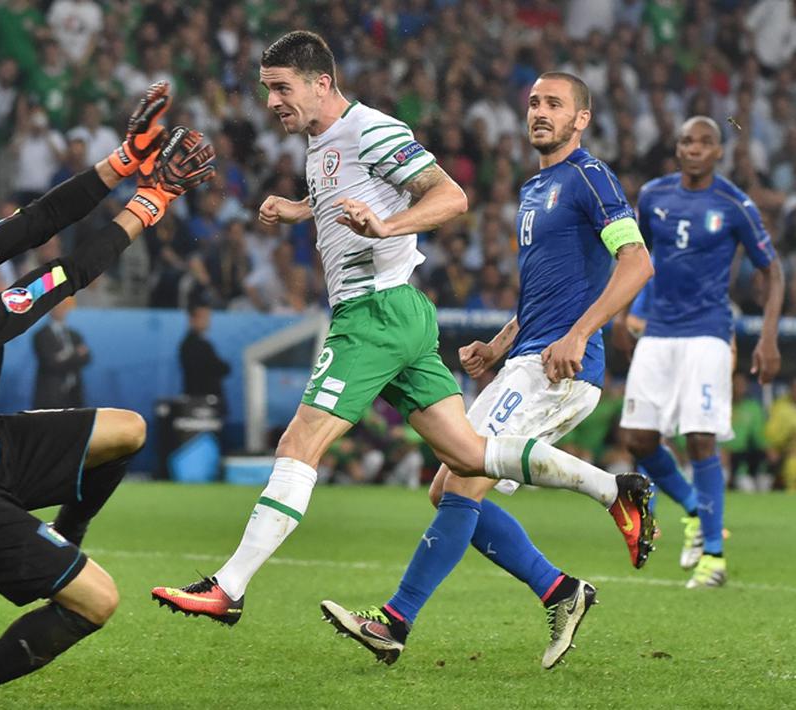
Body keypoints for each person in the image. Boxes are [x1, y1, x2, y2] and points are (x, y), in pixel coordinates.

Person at [151, 34, 655, 660]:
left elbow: (450, 196)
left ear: (321, 83)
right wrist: (303, 210)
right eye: (267, 90)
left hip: (378, 312)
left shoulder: (373, 129)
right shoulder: (328, 146)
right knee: (461, 467)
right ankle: (582, 548)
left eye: (282, 88)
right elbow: (364, 199)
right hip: (416, 318)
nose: (272, 101)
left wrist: (388, 227)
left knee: (301, 442)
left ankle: (237, 588)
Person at [0, 83, 215, 699]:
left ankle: (68, 536)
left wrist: (123, 158)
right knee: (99, 601)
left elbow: (36, 222)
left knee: (127, 431)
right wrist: (152, 200)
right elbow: (66, 275)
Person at [322, 71, 654, 670]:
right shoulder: (536, 187)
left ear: (581, 118)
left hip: (560, 364)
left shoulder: (589, 176)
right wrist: (501, 343)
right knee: (445, 488)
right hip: (527, 356)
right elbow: (544, 294)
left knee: (463, 483)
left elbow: (636, 262)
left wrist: (577, 334)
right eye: (533, 103)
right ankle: (562, 591)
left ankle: (394, 622)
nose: (540, 112)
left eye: (555, 104)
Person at [618, 116, 784, 589]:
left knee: (700, 440)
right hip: (658, 332)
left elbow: (772, 272)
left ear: (718, 152)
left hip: (708, 332)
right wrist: (621, 313)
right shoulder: (652, 196)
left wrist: (768, 337)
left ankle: (714, 557)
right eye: (687, 141)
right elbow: (637, 257)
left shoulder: (734, 203)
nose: (694, 148)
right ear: (677, 148)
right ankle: (694, 509)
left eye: (705, 142)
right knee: (637, 438)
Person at [32, 296, 90, 409]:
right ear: (50, 309)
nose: (61, 310)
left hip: (74, 393)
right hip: (51, 394)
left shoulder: (74, 335)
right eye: (57, 307)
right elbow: (50, 363)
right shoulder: (41, 335)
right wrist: (75, 355)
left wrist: (63, 357)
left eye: (63, 307)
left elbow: (87, 358)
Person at [179, 301, 230, 408]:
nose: (207, 321)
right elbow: (219, 367)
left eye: (208, 317)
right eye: (204, 317)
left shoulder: (195, 343)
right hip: (202, 403)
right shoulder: (194, 345)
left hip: (202, 401)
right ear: (192, 320)